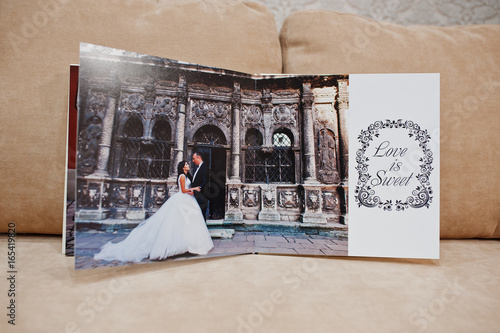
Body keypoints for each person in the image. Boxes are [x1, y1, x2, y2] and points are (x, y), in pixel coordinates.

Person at [94, 161, 213, 262]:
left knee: (187, 223)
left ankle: (188, 245)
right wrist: (193, 189)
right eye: (186, 164)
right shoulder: (182, 176)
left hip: (188, 200)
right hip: (182, 199)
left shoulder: (187, 176)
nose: (188, 165)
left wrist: (192, 190)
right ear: (182, 167)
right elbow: (183, 190)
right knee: (178, 222)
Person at [191, 152, 209, 221]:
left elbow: (205, 182)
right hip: (197, 196)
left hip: (202, 196)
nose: (193, 160)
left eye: (193, 159)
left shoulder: (204, 166)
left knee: (201, 214)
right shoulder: (199, 167)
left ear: (198, 158)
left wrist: (195, 191)